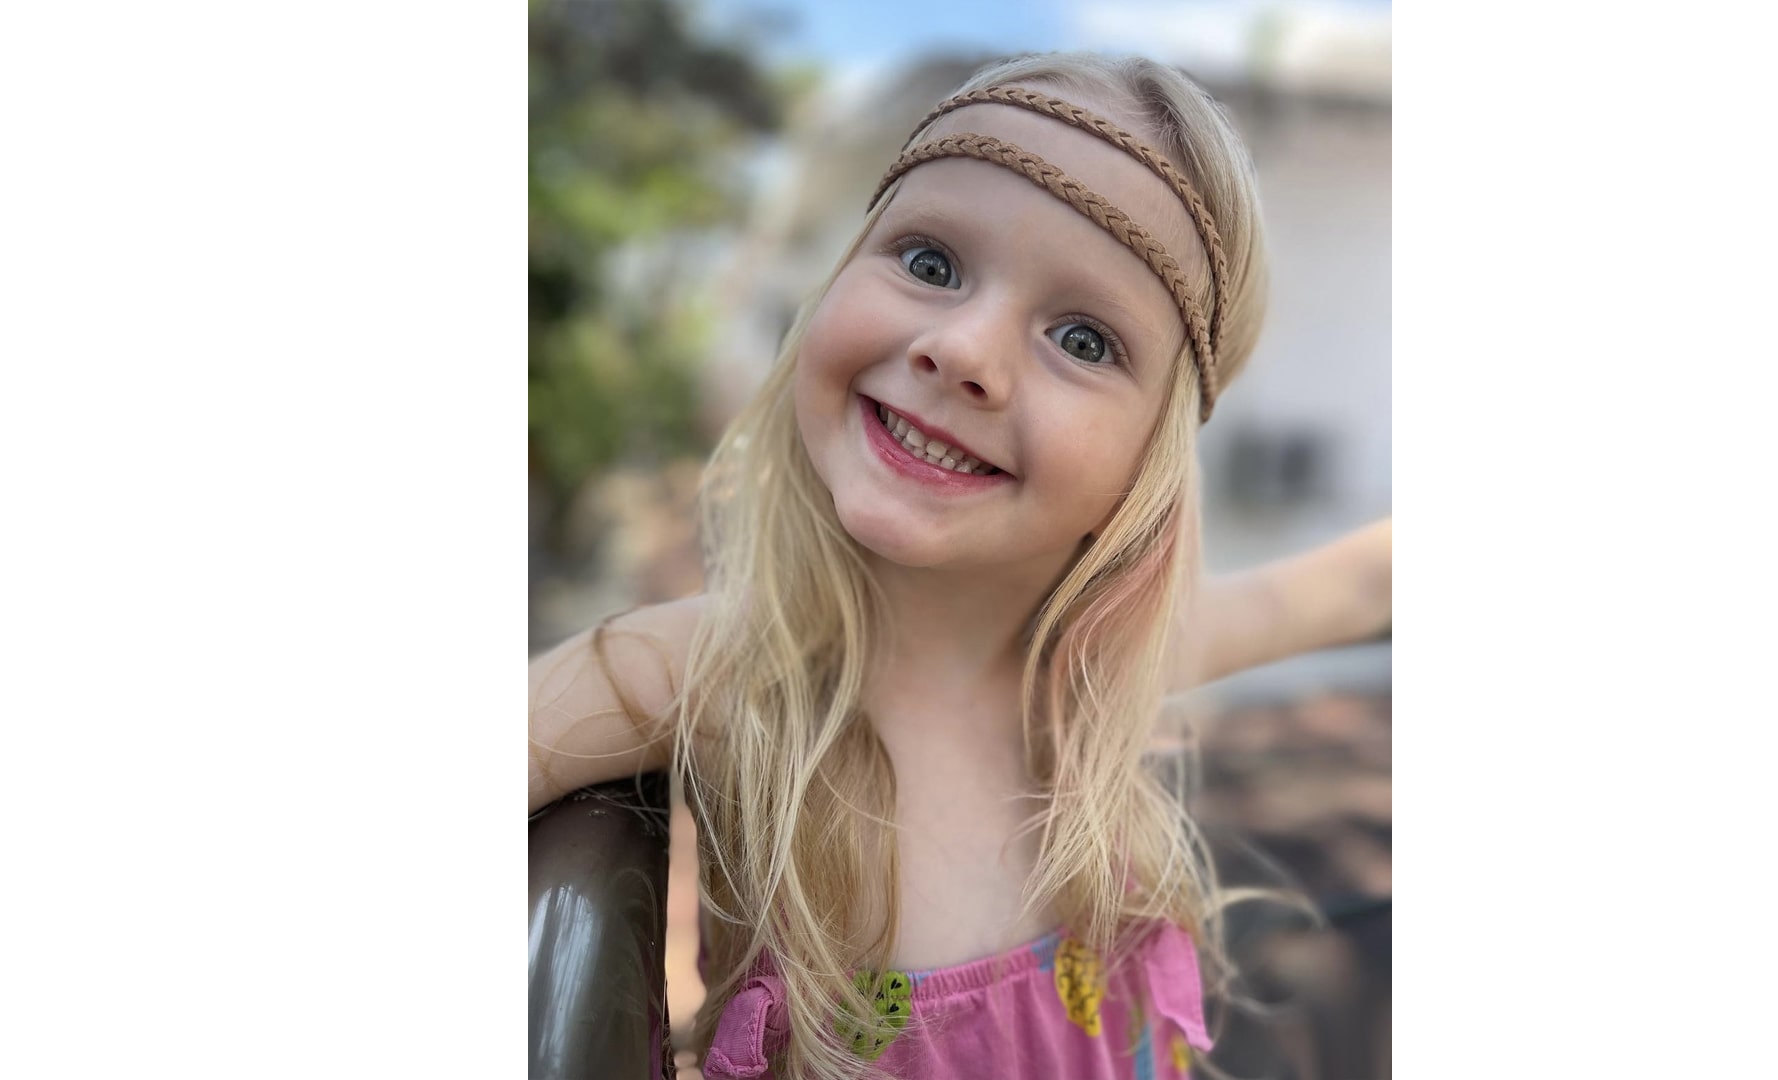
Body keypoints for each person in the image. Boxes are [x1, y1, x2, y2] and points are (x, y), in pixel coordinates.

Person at [529, 52, 1392, 1080]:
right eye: (931, 263)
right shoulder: (717, 670)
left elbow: (1364, 583)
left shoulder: (1093, 669)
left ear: (1148, 461)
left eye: (1083, 338)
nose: (965, 350)